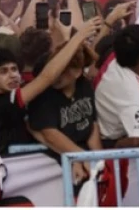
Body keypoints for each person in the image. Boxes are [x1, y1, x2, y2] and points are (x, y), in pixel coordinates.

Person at [0, 16, 102, 155]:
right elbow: (47, 77)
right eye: (3, 71)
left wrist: (72, 159)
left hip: (37, 164)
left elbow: (40, 135)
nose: (12, 75)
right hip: (13, 168)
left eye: (14, 69)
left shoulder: (23, 92)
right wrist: (78, 36)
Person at [28, 42, 103, 188]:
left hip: (81, 156)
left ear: (77, 71)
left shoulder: (85, 86)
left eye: (63, 71)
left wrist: (99, 158)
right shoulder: (44, 95)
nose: (56, 76)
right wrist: (81, 157)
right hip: (56, 161)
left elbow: (91, 124)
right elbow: (48, 134)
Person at [94, 24, 139, 148]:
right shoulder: (137, 93)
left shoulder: (113, 60)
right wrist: (115, 147)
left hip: (99, 135)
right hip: (111, 146)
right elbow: (137, 140)